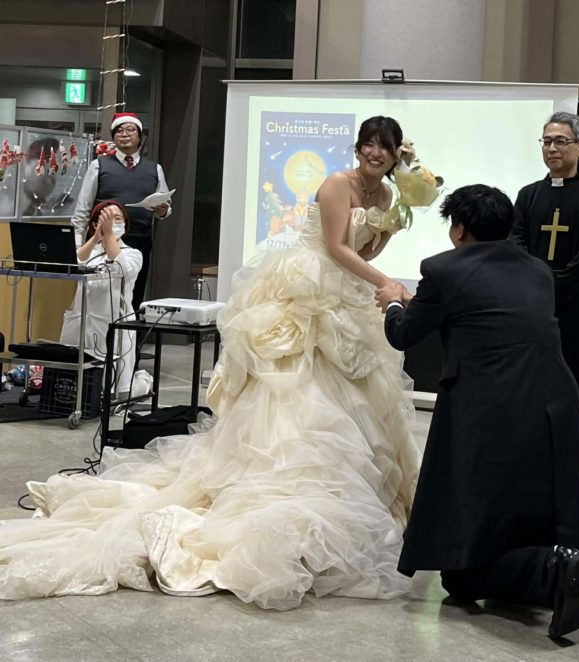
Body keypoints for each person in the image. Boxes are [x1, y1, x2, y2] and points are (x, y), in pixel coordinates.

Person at [0, 116, 421, 610]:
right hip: (308, 285)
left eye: (384, 147)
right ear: (358, 147)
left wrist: (393, 223)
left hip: (346, 293)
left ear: (396, 155)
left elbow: (368, 247)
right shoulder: (336, 184)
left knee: (354, 393)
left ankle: (352, 488)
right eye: (368, 144)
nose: (374, 153)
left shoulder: (386, 195)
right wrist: (385, 284)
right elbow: (336, 247)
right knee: (292, 387)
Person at [376, 184, 579, 640]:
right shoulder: (537, 270)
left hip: (494, 407)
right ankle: (557, 562)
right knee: (529, 511)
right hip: (556, 403)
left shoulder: (442, 269)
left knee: (461, 574)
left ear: (459, 229)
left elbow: (404, 335)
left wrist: (394, 300)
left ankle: (551, 569)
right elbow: (487, 311)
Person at [510, 112, 579, 424]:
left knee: (571, 391)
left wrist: (548, 287)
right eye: (546, 142)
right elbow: (516, 243)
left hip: (575, 311)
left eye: (560, 141)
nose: (552, 148)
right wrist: (533, 287)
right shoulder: (528, 195)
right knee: (527, 390)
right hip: (531, 310)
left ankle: (570, 455)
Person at [71, 112, 172, 311]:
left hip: (139, 239)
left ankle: (128, 332)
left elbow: (165, 207)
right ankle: (97, 332)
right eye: (119, 131)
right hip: (101, 240)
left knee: (134, 294)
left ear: (140, 137)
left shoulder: (155, 169)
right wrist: (78, 245)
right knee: (98, 292)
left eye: (130, 130)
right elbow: (82, 209)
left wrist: (163, 210)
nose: (124, 134)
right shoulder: (98, 165)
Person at [59, 200, 142, 395]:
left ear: (125, 223)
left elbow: (122, 268)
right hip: (81, 323)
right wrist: (97, 237)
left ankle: (143, 381)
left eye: (117, 219)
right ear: (96, 224)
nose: (111, 223)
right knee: (74, 382)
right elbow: (75, 263)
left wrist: (109, 234)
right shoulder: (91, 252)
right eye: (106, 219)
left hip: (114, 326)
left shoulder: (133, 254)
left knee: (117, 392)